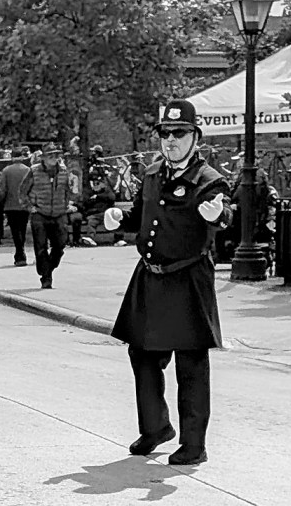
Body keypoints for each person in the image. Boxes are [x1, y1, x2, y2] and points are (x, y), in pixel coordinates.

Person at [103, 99, 232, 466]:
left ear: (196, 137)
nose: (171, 140)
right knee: (141, 353)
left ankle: (194, 444)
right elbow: (142, 215)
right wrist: (120, 218)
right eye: (165, 133)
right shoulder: (152, 173)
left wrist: (218, 215)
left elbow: (226, 214)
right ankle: (156, 427)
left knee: (190, 363)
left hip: (187, 277)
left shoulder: (209, 179)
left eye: (179, 133)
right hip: (151, 275)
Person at [20, 141, 72, 288]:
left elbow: (67, 190)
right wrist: (30, 207)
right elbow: (23, 192)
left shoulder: (63, 171)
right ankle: (46, 276)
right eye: (50, 156)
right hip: (40, 213)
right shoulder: (34, 171)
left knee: (60, 245)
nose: (54, 158)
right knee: (40, 246)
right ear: (43, 158)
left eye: (56, 155)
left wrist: (67, 204)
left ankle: (48, 267)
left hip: (59, 213)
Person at [0, 149, 31, 266]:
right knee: (22, 228)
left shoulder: (6, 170)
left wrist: (1, 202)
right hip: (24, 205)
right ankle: (21, 252)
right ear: (22, 157)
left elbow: (2, 189)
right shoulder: (28, 170)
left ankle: (19, 253)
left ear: (12, 157)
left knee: (15, 230)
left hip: (10, 205)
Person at [78, 172, 116, 246]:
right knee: (92, 220)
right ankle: (90, 238)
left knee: (116, 218)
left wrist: (98, 196)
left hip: (105, 214)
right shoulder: (88, 192)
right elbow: (84, 203)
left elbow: (112, 198)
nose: (95, 185)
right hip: (93, 214)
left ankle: (119, 239)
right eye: (93, 183)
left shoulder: (107, 191)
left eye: (98, 183)